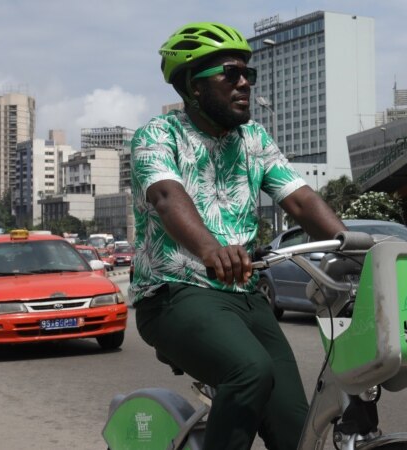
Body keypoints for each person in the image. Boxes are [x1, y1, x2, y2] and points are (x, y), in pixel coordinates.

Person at [129, 22, 347, 450]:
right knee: (249, 371)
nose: (244, 82)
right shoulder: (158, 135)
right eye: (230, 73)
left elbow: (300, 201)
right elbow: (168, 197)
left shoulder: (254, 139)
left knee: (296, 427)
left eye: (250, 74)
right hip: (176, 294)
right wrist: (210, 249)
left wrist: (356, 244)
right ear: (194, 86)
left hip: (246, 296)